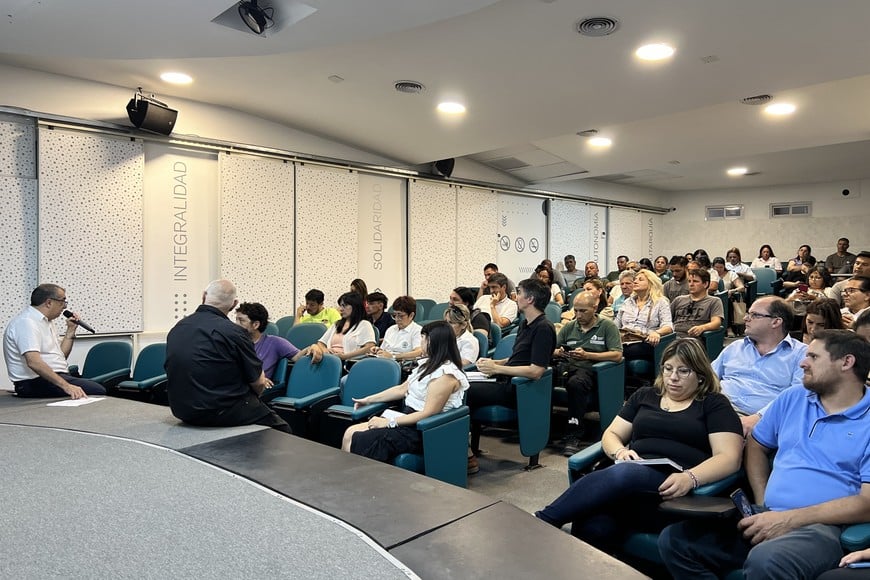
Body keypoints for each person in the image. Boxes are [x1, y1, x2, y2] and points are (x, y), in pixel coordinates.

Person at [659, 330, 870, 580]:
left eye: (813, 356)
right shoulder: (793, 397)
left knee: (766, 561)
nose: (803, 361)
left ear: (846, 362)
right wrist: (762, 501)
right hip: (768, 514)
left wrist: (788, 519)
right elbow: (757, 443)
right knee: (676, 541)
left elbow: (866, 504)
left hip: (823, 527)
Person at [536, 338, 742, 552]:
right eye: (668, 369)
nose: (673, 378)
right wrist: (620, 451)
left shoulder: (714, 404)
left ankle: (541, 520)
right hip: (628, 482)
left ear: (700, 376)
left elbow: (729, 457)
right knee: (592, 525)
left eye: (683, 371)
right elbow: (612, 433)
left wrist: (690, 478)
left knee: (625, 474)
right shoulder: (646, 395)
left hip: (672, 484)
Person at [165, 279, 290, 432]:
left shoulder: (178, 328)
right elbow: (258, 383)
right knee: (283, 429)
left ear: (203, 296)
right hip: (221, 412)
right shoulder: (235, 333)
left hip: (181, 409)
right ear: (233, 304)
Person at [341, 321, 470, 462]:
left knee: (362, 438)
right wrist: (368, 399)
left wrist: (389, 422)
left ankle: (359, 479)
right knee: (349, 432)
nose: (421, 342)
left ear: (434, 342)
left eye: (424, 338)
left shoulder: (446, 375)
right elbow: (402, 389)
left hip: (422, 429)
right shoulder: (428, 365)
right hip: (407, 419)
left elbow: (428, 413)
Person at [467, 278, 557, 433]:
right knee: (459, 383)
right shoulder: (526, 324)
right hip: (506, 380)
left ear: (530, 299)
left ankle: (464, 448)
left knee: (462, 389)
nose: (516, 297)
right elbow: (519, 358)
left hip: (518, 387)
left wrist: (497, 369)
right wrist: (497, 362)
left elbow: (536, 371)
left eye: (520, 293)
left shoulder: (543, 328)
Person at [712, 296, 807, 437]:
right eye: (748, 314)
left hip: (761, 419)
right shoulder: (735, 347)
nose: (745, 318)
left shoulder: (801, 354)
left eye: (754, 315)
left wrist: (758, 417)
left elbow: (797, 396)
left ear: (776, 322)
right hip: (716, 408)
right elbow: (708, 376)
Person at [3, 284, 105, 399]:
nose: (64, 307)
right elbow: (33, 362)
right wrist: (66, 386)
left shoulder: (46, 322)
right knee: (97, 390)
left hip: (51, 378)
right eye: (63, 301)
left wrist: (70, 331)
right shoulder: (26, 322)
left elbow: (61, 356)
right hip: (33, 382)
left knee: (97, 386)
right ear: (49, 302)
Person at [552, 291, 623, 456]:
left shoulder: (607, 326)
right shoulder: (570, 326)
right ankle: (545, 430)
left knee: (576, 383)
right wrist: (558, 352)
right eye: (576, 310)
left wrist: (588, 355)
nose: (578, 315)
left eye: (583, 311)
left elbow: (617, 355)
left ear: (595, 307)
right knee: (543, 375)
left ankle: (573, 434)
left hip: (593, 371)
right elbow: (552, 348)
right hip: (568, 367)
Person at [235, 302, 309, 379]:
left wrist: (311, 348)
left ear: (256, 325)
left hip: (254, 389)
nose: (236, 324)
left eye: (241, 320)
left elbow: (298, 357)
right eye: (236, 319)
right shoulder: (233, 342)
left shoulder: (275, 342)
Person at [615, 269, 673, 367]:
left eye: (640, 279)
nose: (635, 281)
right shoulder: (627, 302)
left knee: (618, 352)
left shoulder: (661, 302)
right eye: (635, 279)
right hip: (624, 340)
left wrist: (657, 333)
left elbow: (668, 326)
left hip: (645, 341)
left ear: (651, 283)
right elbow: (616, 324)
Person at [311, 292, 377, 361]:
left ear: (355, 306)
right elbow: (321, 343)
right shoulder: (337, 324)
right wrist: (325, 351)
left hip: (349, 363)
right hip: (330, 360)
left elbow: (369, 347)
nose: (341, 309)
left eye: (344, 306)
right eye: (340, 306)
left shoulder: (364, 324)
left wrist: (345, 356)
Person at [670, 269, 724, 338]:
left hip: (695, 338)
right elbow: (667, 320)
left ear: (705, 284)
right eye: (689, 281)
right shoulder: (679, 300)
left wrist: (702, 328)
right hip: (674, 336)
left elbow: (716, 323)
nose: (691, 284)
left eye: (695, 281)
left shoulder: (714, 301)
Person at [371, 296, 422, 361]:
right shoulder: (391, 329)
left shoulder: (417, 330)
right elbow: (384, 349)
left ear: (411, 315)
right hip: (384, 362)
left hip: (402, 365)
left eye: (400, 316)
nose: (397, 319)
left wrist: (394, 356)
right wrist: (378, 350)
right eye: (394, 315)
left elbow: (419, 352)